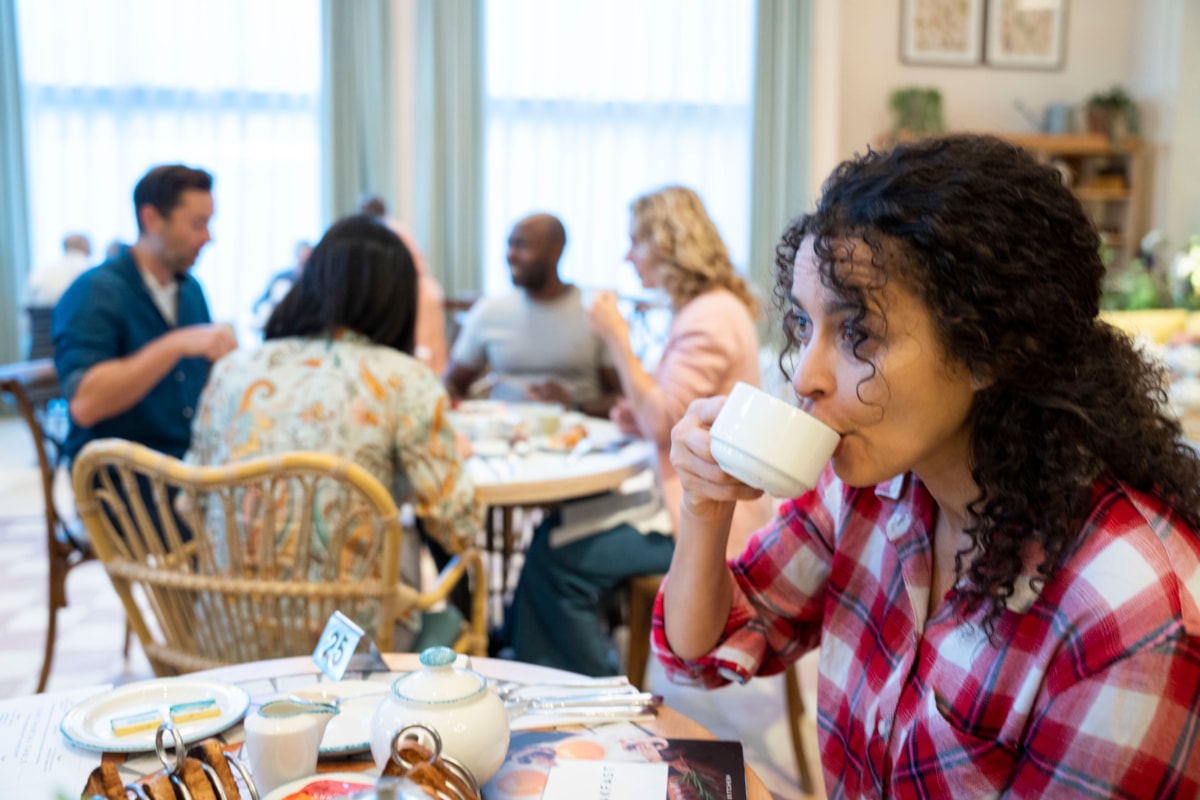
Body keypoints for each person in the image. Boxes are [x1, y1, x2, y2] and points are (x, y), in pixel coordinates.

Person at [656, 135, 1200, 796]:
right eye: (804, 325)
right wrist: (706, 507)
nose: (804, 374)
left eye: (858, 332)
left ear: (987, 348)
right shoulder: (871, 486)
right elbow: (702, 652)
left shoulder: (1127, 612)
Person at [504, 188, 771, 675]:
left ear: (668, 244)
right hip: (687, 499)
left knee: (556, 561)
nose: (628, 257)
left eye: (636, 243)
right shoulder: (707, 308)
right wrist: (639, 415)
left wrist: (615, 337)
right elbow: (667, 417)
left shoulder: (708, 317)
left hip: (707, 518)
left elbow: (662, 420)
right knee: (555, 532)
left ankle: (600, 696)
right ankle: (539, 662)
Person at [187, 214, 481, 648]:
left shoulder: (233, 371)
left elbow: (189, 502)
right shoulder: (404, 380)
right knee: (431, 603)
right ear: (399, 298)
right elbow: (460, 528)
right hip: (346, 652)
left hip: (226, 640)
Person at [53, 164, 237, 463]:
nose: (208, 237)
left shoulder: (190, 290)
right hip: (123, 480)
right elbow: (85, 404)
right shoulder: (94, 292)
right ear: (151, 219)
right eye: (197, 224)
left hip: (187, 466)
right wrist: (175, 344)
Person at [445, 213, 622, 417]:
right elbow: (451, 384)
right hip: (505, 438)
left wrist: (575, 407)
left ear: (556, 251)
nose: (511, 255)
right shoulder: (489, 311)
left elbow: (621, 397)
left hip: (580, 437)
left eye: (522, 245)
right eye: (509, 245)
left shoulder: (594, 311)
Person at [359, 195, 449, 375]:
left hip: (412, 292)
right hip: (422, 290)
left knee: (420, 344)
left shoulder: (381, 232)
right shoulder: (396, 229)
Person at [251, 240, 312, 329]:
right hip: (276, 326)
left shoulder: (314, 281)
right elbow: (257, 304)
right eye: (304, 253)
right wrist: (269, 306)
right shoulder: (281, 278)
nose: (306, 257)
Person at [27, 233, 92, 307]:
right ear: (87, 249)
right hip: (73, 314)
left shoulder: (43, 269)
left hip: (41, 315)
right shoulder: (88, 269)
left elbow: (31, 297)